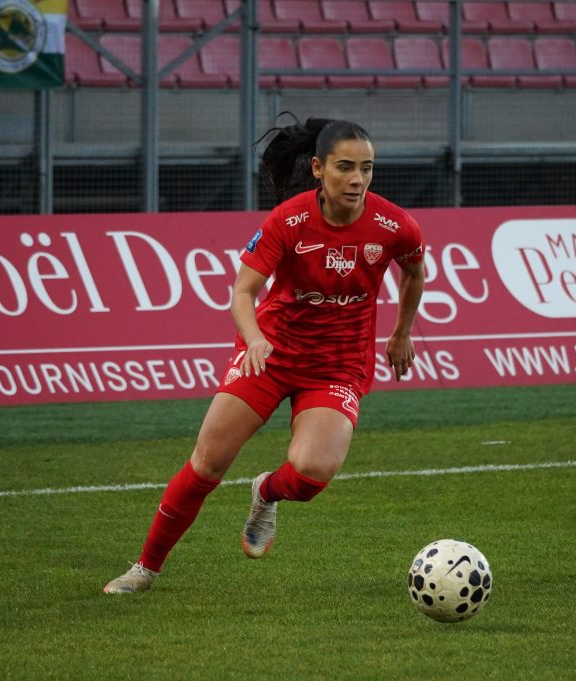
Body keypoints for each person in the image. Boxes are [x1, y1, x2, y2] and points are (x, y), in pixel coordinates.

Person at [103, 115, 427, 594]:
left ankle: (265, 491)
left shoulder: (394, 225)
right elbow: (243, 292)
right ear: (318, 168)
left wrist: (401, 333)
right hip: (271, 353)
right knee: (207, 464)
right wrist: (254, 338)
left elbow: (414, 273)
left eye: (367, 168)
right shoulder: (288, 220)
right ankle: (145, 568)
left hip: (338, 364)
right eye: (345, 167)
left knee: (313, 472)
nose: (357, 179)